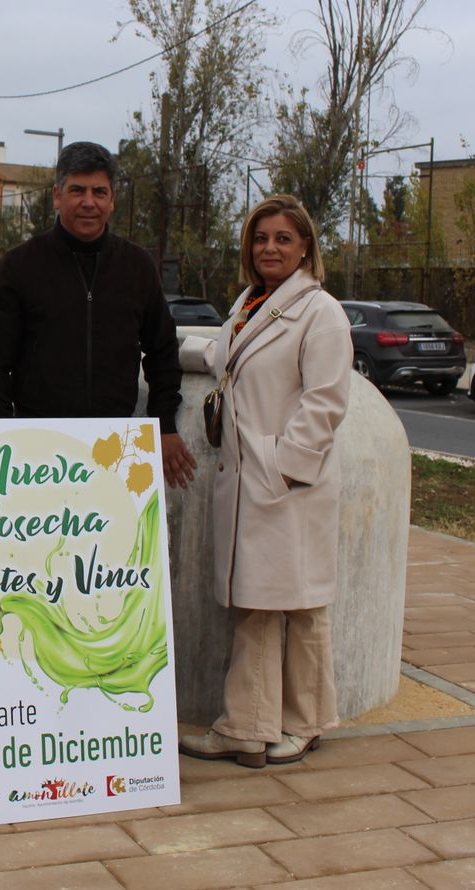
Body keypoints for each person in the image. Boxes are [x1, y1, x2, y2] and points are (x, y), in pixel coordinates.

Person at [177, 193, 351, 768]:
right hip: (255, 479)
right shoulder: (252, 303)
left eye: (282, 238)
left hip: (286, 485)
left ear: (305, 247)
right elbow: (225, 353)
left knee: (298, 602)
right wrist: (164, 348)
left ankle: (289, 725)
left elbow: (325, 401)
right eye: (260, 237)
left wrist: (284, 468)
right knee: (265, 601)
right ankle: (258, 725)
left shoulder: (320, 311)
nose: (269, 248)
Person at [0, 141, 195, 488]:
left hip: (115, 449)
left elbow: (163, 353)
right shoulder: (19, 266)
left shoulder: (137, 268)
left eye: (99, 191)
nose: (88, 202)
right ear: (56, 195)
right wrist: (4, 434)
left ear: (113, 199)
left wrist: (164, 425)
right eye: (77, 190)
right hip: (35, 452)